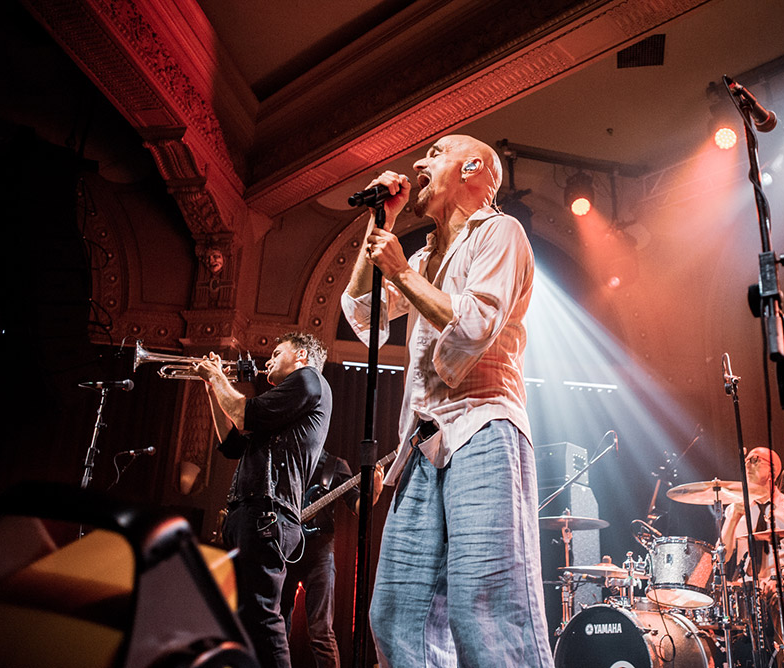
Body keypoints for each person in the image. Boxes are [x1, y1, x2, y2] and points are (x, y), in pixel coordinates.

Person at [341, 134, 553, 666]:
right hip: (424, 443)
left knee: (485, 611)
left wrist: (403, 273)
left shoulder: (502, 233)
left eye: (436, 153)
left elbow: (476, 322)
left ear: (474, 167)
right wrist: (379, 226)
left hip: (483, 426)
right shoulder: (425, 254)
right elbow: (363, 313)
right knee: (395, 613)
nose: (419, 162)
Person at [195, 332, 332, 668]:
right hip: (252, 514)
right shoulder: (285, 408)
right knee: (242, 622)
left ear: (300, 356)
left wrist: (217, 377)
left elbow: (244, 415)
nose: (267, 360)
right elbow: (232, 443)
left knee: (262, 619)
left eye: (276, 352)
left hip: (267, 515)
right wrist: (214, 387)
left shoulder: (309, 380)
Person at [280, 451, 384, 668]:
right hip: (287, 550)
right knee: (279, 625)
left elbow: (357, 506)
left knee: (321, 631)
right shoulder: (290, 460)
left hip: (320, 553)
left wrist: (373, 493)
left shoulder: (335, 465)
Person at [719, 447, 784, 662]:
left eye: (755, 459)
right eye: (747, 459)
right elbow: (722, 558)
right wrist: (733, 519)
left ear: (773, 471)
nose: (748, 463)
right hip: (745, 589)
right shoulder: (734, 508)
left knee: (779, 600)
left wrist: (780, 579)